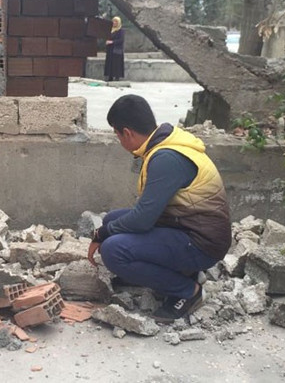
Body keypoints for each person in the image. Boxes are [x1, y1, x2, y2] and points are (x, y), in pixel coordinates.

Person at [87, 94, 231, 323]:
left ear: (127, 133)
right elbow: (147, 213)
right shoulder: (164, 142)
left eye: (117, 135)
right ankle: (172, 271)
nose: (119, 141)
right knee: (112, 220)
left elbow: (143, 220)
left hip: (202, 243)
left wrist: (100, 235)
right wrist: (108, 228)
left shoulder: (167, 158)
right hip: (187, 224)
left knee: (113, 250)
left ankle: (187, 290)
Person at [104, 16, 125, 82]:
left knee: (116, 64)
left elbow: (121, 40)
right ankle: (110, 77)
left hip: (117, 49)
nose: (114, 22)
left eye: (116, 21)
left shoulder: (121, 30)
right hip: (110, 49)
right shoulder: (110, 29)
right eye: (113, 21)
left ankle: (117, 77)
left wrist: (112, 42)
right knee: (110, 63)